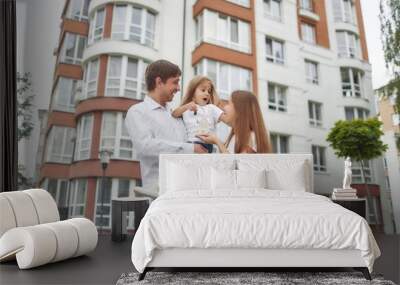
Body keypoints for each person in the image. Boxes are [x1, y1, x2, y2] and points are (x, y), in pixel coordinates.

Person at [124, 60, 207, 189]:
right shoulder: (137, 112)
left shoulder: (176, 114)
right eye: (175, 82)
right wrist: (191, 149)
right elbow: (145, 146)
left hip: (188, 188)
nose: (179, 88)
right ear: (159, 82)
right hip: (160, 193)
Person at [197, 90, 272, 153]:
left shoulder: (251, 138)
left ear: (240, 110)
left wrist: (217, 142)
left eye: (229, 103)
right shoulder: (236, 136)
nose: (225, 107)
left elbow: (237, 165)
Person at [172, 75, 228, 153]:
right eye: (203, 90)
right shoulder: (187, 108)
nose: (207, 93)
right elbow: (174, 114)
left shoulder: (211, 108)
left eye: (209, 91)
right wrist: (186, 106)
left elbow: (227, 119)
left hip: (208, 144)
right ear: (192, 93)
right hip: (192, 144)